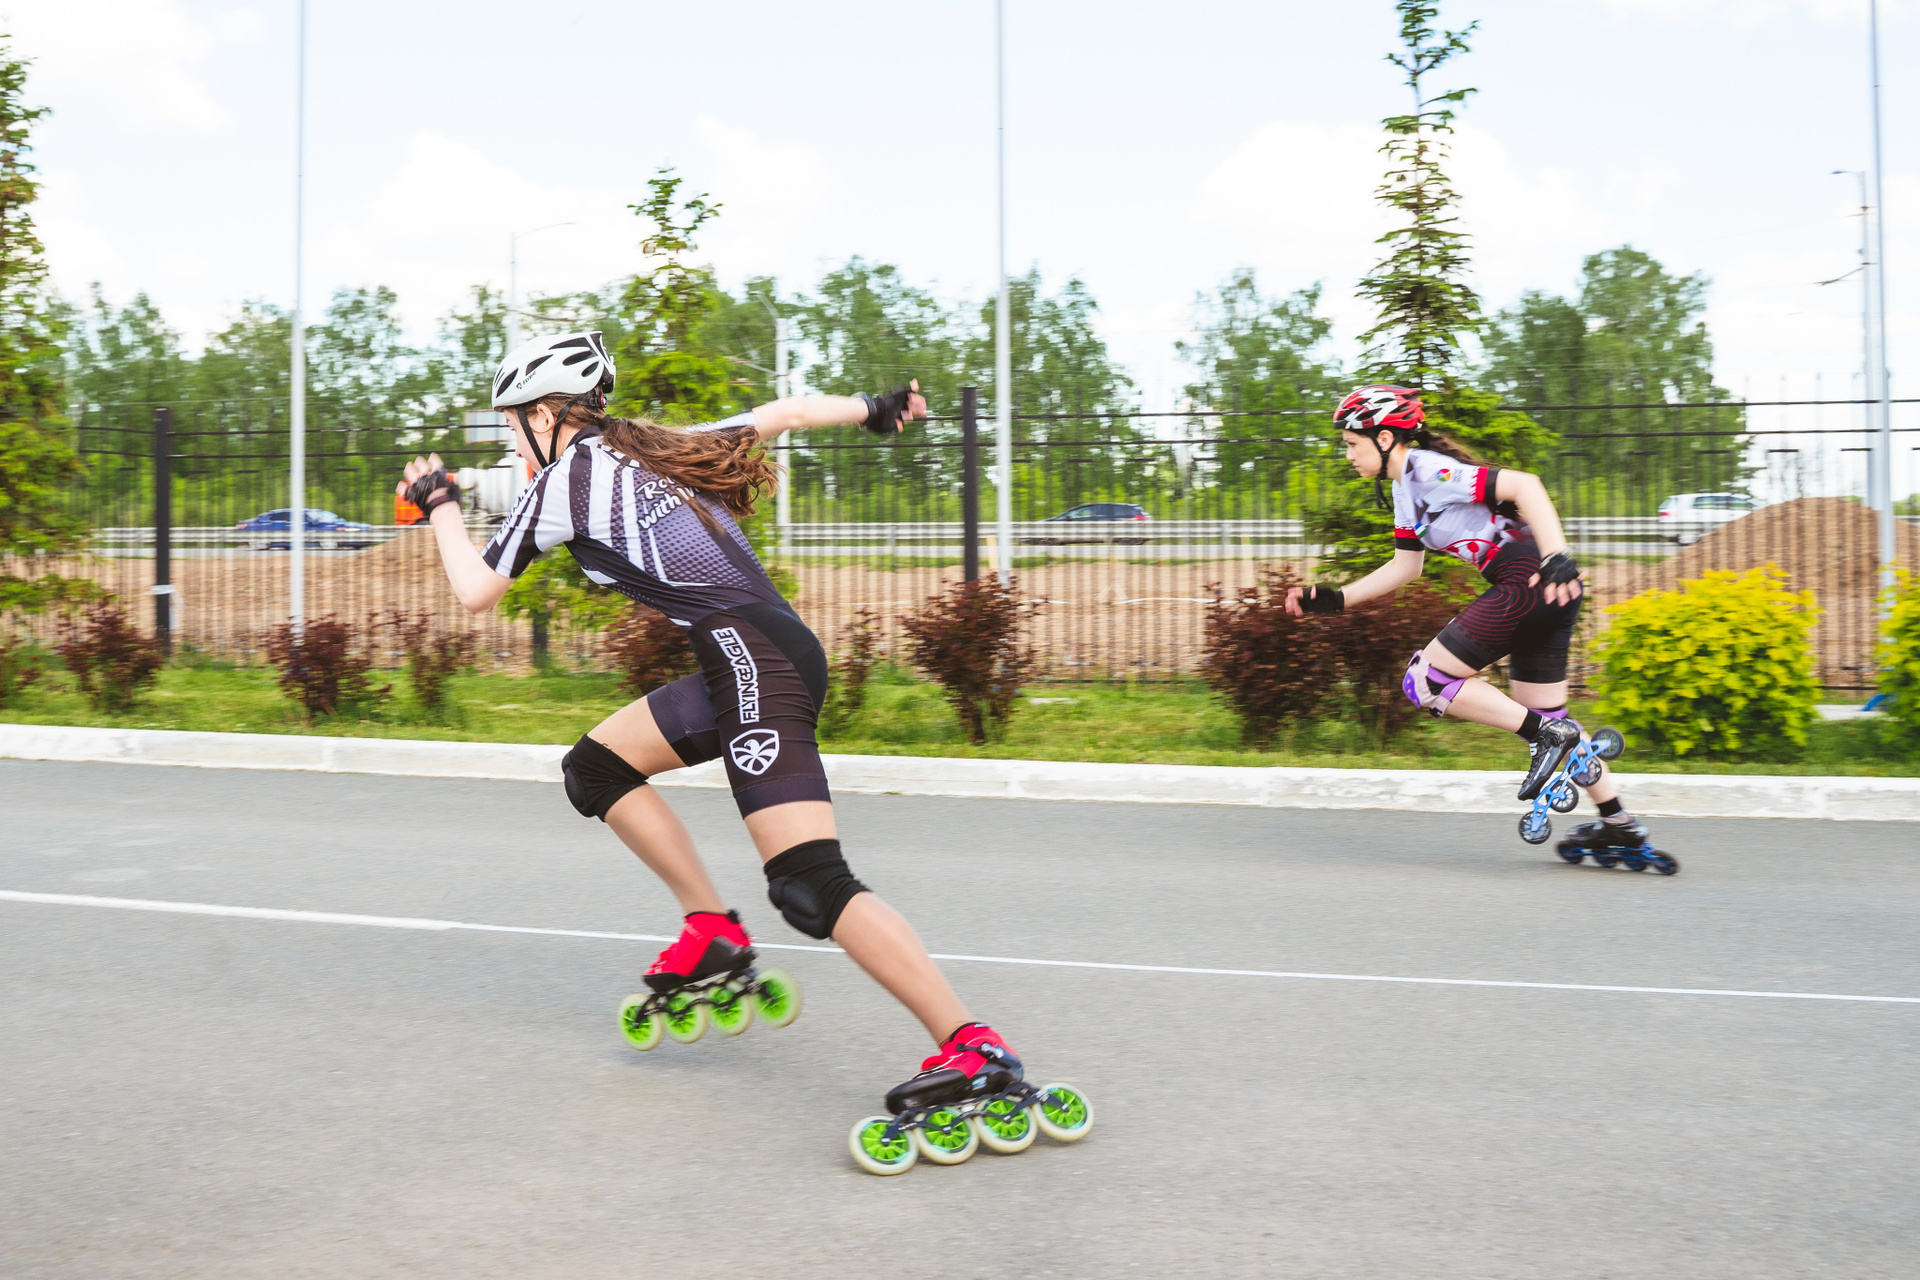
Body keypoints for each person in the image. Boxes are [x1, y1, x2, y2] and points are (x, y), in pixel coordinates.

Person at [397, 331, 1039, 1128]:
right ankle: (708, 930)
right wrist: (875, 409)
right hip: (755, 655)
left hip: (754, 665)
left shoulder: (566, 483)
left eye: (510, 421)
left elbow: (474, 590)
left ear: (543, 414)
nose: (509, 437)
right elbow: (785, 413)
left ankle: (974, 1049)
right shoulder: (656, 447)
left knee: (810, 883)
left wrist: (440, 506)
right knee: (596, 769)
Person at [1285, 384, 1664, 864]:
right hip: (1545, 592)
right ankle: (1619, 824)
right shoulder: (1405, 489)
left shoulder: (1428, 469)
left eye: (1351, 443)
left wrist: (1557, 556)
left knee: (1425, 681)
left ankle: (1547, 737)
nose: (1348, 455)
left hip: (1531, 582)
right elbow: (1406, 567)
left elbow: (1526, 485)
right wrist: (1338, 599)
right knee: (1550, 716)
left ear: (1383, 439)